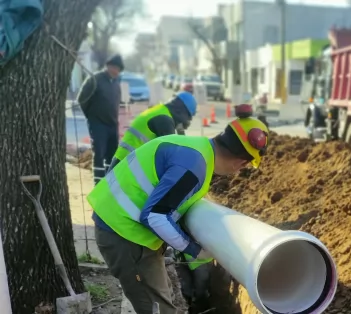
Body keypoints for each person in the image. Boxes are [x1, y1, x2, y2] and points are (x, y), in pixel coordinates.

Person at [88, 105, 269, 314]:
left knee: (160, 301)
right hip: (124, 233)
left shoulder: (198, 150)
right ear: (241, 162)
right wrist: (194, 249)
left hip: (123, 224)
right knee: (158, 309)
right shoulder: (193, 166)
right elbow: (155, 216)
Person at [108, 91, 197, 170]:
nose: (187, 121)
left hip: (124, 159)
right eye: (188, 117)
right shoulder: (164, 120)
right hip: (128, 165)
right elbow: (170, 154)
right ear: (182, 111)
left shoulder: (161, 110)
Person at [77, 54, 124, 185]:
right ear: (108, 66)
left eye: (118, 69)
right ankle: (98, 185)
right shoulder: (95, 79)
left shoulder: (116, 82)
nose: (115, 71)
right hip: (98, 124)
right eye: (114, 67)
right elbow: (82, 100)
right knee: (99, 155)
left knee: (112, 156)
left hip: (112, 125)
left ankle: (110, 185)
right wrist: (92, 116)